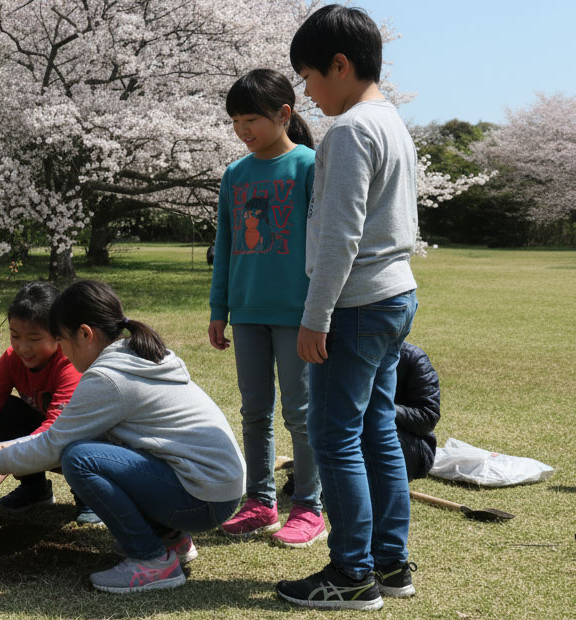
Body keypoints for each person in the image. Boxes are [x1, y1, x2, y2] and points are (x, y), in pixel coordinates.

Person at [0, 280, 246, 594]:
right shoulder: (131, 354)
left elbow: (55, 443)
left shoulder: (107, 378)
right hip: (214, 488)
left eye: (61, 339)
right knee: (101, 448)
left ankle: (152, 560)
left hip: (203, 496)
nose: (62, 351)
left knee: (79, 458)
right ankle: (169, 539)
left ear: (85, 334)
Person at [275, 5, 420, 611]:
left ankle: (352, 572)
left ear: (340, 64)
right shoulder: (392, 122)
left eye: (309, 77)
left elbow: (340, 237)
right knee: (376, 429)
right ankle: (390, 562)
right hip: (395, 296)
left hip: (356, 303)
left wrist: (315, 317)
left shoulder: (351, 131)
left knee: (334, 437)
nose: (307, 93)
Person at [208, 68, 324, 548]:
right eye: (236, 121)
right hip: (247, 312)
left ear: (284, 114)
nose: (243, 130)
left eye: (251, 119)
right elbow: (225, 246)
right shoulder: (235, 174)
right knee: (254, 411)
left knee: (301, 413)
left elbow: (325, 245)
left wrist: (320, 313)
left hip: (298, 314)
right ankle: (260, 503)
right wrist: (219, 309)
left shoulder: (310, 166)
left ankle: (309, 506)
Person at [0, 282, 96, 523]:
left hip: (80, 440)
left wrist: (1, 463)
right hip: (44, 441)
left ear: (58, 335)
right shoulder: (11, 359)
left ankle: (90, 497)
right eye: (15, 336)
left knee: (76, 444)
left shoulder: (70, 365)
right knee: (5, 409)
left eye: (34, 338)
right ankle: (35, 490)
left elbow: (57, 430)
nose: (22, 347)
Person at [394, 342, 440, 481]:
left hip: (414, 444)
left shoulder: (414, 357)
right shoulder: (348, 353)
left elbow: (428, 417)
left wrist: (384, 408)